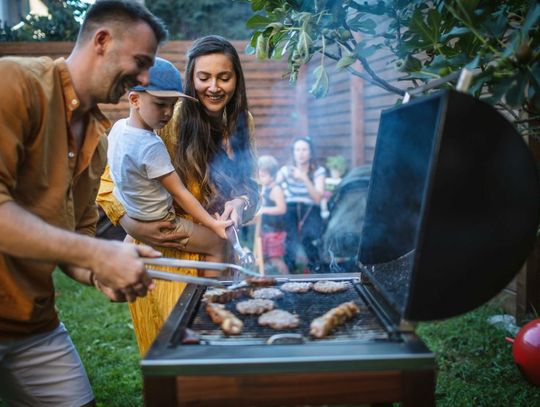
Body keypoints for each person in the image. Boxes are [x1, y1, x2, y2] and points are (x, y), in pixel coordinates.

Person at [0, 1, 166, 406]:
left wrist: (98, 273)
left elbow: (75, 237)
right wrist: (97, 253)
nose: (143, 79)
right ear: (102, 40)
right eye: (141, 62)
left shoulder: (98, 139)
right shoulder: (14, 82)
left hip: (31, 325)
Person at [97, 35, 259, 355]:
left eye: (224, 77)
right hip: (168, 255)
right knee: (172, 358)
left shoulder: (244, 122)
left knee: (216, 352)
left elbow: (251, 185)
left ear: (236, 80)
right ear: (190, 79)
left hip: (220, 256)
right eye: (204, 77)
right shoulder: (168, 114)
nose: (214, 87)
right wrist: (132, 223)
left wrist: (242, 203)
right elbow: (109, 183)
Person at [108, 57, 232, 262]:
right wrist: (213, 224)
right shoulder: (151, 146)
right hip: (162, 221)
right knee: (218, 245)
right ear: (134, 99)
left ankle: (119, 269)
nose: (167, 113)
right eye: (160, 104)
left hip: (132, 209)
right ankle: (210, 293)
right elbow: (180, 193)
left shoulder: (119, 128)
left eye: (173, 105)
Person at [276, 137, 326, 272]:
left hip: (310, 208)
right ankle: (290, 270)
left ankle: (316, 268)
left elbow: (317, 198)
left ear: (311, 153)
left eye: (304, 149)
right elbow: (273, 186)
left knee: (309, 237)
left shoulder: (318, 171)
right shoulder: (285, 170)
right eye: (297, 149)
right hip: (291, 207)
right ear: (293, 152)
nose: (301, 153)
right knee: (291, 237)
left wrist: (304, 178)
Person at [257, 155, 288, 274]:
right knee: (265, 258)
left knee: (275, 259)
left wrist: (263, 209)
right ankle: (267, 281)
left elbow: (281, 209)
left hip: (276, 232)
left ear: (273, 175)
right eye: (259, 175)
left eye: (263, 176)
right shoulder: (265, 188)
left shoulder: (276, 189)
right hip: (266, 230)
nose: (260, 178)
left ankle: (288, 280)